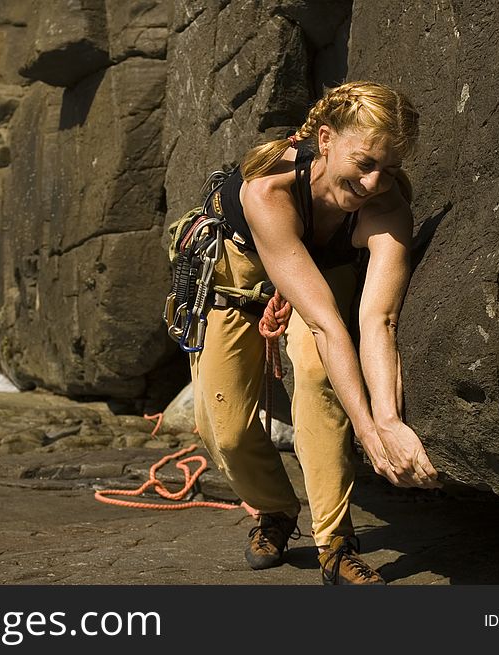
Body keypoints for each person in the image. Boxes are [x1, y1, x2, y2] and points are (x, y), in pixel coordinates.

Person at [188, 80, 441, 585]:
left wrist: (386, 420)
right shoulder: (268, 189)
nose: (373, 183)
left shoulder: (386, 208)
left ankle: (335, 542)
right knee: (226, 429)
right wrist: (369, 436)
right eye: (365, 163)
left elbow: (377, 319)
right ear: (325, 140)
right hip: (238, 270)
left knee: (316, 369)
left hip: (325, 269)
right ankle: (275, 510)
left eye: (389, 170)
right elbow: (328, 321)